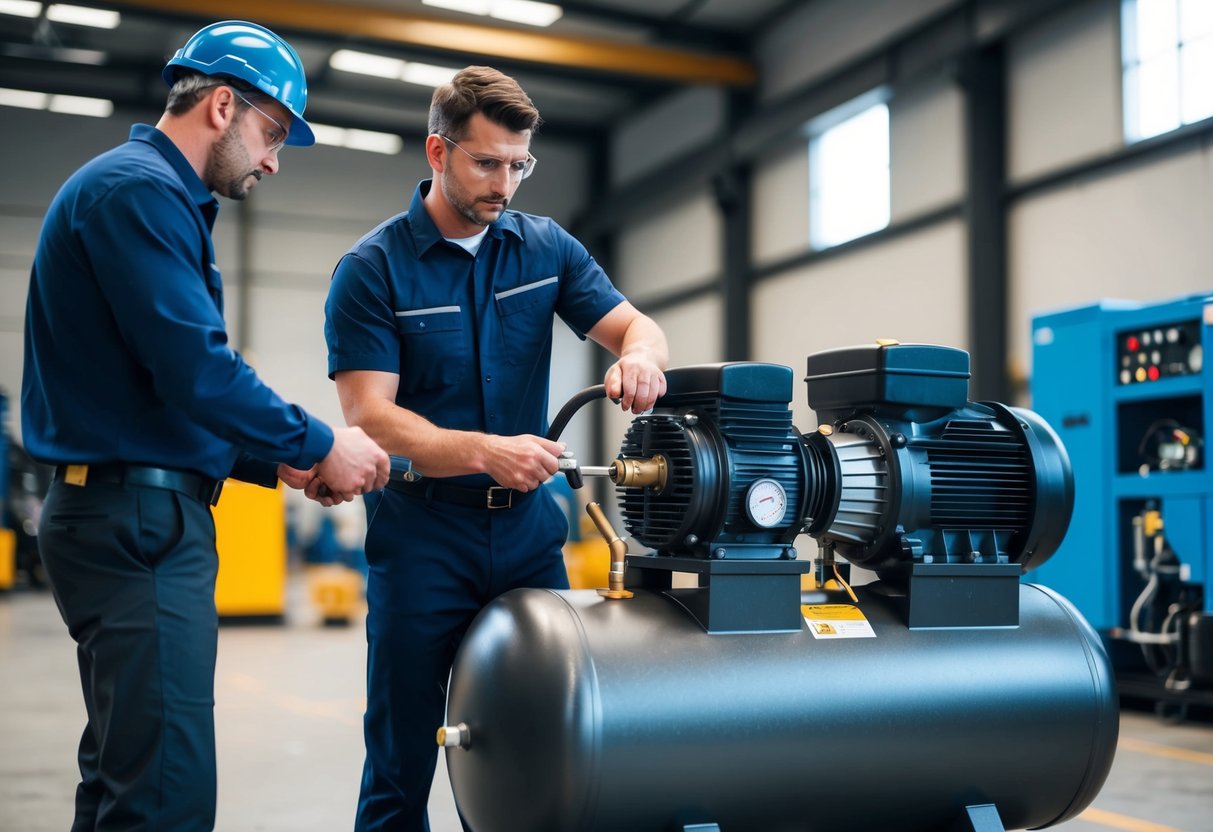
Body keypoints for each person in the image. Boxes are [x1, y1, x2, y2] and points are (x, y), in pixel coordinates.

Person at [21, 20, 390, 831]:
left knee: (127, 778)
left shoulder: (148, 197)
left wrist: (277, 465)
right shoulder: (139, 193)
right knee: (165, 798)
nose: (272, 160)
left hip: (128, 513)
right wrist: (321, 442)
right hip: (137, 527)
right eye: (272, 133)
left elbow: (150, 391)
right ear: (222, 105)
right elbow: (197, 370)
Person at [324, 65, 669, 830]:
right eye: (485, 162)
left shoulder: (544, 249)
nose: (503, 183)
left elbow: (636, 326)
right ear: (436, 151)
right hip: (422, 539)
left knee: (549, 744)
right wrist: (485, 451)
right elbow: (370, 416)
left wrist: (640, 355)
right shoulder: (373, 270)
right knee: (400, 756)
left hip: (526, 536)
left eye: (519, 165)